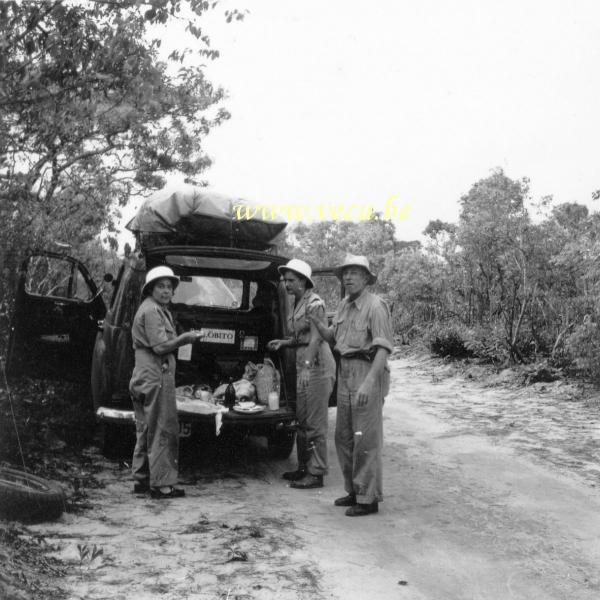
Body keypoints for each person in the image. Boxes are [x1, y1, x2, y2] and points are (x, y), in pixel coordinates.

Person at [310, 254, 393, 516]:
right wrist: (316, 322)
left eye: (355, 273)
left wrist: (369, 384)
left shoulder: (376, 306)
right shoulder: (345, 306)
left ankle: (368, 499)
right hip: (345, 371)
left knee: (366, 439)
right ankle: (354, 490)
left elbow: (382, 349)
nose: (348, 277)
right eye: (345, 273)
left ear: (366, 278)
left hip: (367, 371)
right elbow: (332, 337)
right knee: (344, 437)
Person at [129, 266, 204, 499]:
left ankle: (142, 479)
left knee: (145, 428)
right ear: (151, 289)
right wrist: (186, 338)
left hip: (147, 375)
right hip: (155, 376)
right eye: (160, 286)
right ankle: (161, 486)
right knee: (162, 428)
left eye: (169, 287)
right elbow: (160, 347)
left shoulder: (159, 310)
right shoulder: (152, 311)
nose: (165, 291)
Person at [267, 259, 336, 489]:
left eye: (292, 280)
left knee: (315, 424)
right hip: (303, 364)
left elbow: (317, 337)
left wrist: (306, 366)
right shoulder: (297, 303)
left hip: (316, 365)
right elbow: (300, 337)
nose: (287, 284)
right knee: (303, 420)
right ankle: (304, 468)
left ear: (304, 282)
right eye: (285, 280)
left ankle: (316, 473)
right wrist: (284, 343)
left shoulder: (315, 303)